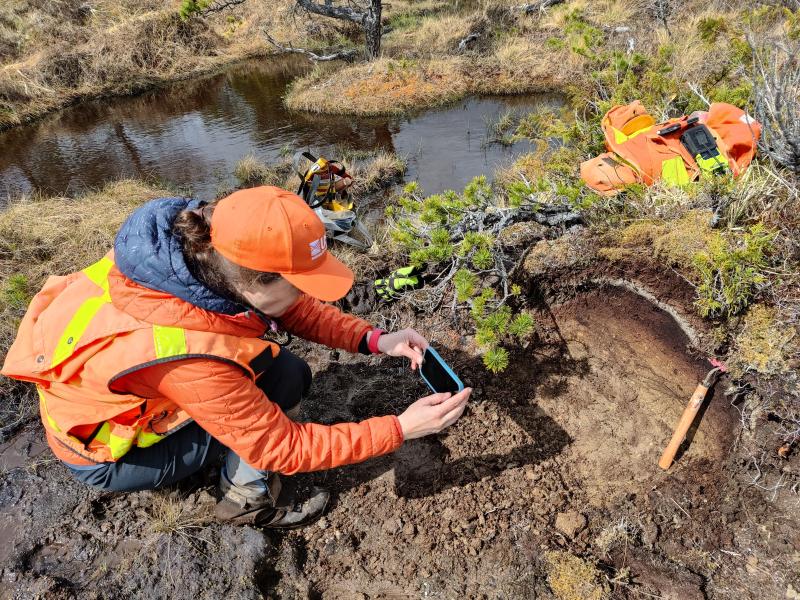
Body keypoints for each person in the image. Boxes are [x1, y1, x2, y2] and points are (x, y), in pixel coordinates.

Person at [1, 186, 472, 528]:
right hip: (110, 455)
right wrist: (399, 429)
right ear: (250, 284)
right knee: (266, 416)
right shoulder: (188, 355)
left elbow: (292, 307)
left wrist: (375, 339)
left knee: (287, 375)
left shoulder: (186, 258)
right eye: (296, 284)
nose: (304, 298)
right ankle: (244, 501)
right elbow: (281, 447)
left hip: (124, 393)